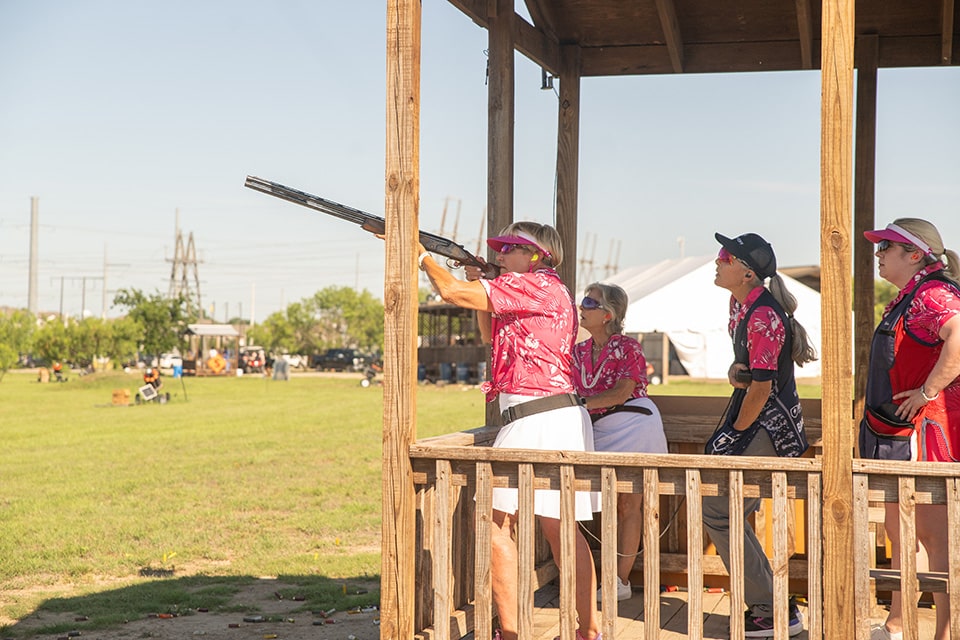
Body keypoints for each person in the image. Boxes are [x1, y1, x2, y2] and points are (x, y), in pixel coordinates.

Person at [421, 221, 601, 640]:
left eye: (510, 247)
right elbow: (490, 332)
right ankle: (586, 632)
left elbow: (449, 294)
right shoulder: (544, 287)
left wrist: (421, 257)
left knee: (494, 523)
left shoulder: (534, 285)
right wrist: (481, 282)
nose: (500, 253)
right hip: (552, 415)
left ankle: (512, 631)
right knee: (561, 529)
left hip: (535, 417)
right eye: (499, 247)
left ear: (537, 255)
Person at [704, 232, 818, 638]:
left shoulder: (763, 315)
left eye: (724, 256)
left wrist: (734, 433)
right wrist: (735, 371)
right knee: (726, 510)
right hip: (757, 420)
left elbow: (763, 388)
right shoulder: (741, 305)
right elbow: (748, 372)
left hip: (768, 426)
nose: (717, 261)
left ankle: (772, 607)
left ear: (747, 272)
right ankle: (772, 603)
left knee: (718, 510)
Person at [860, 219, 960, 640]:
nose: (879, 253)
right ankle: (898, 623)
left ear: (915, 255)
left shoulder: (934, 294)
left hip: (928, 437)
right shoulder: (913, 295)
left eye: (887, 246)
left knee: (937, 543)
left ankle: (945, 632)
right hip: (902, 434)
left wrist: (927, 390)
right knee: (901, 533)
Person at [571, 282, 667, 602]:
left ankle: (618, 582)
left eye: (588, 302)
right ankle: (587, 575)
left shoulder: (629, 348)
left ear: (608, 314)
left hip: (635, 425)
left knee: (628, 504)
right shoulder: (578, 351)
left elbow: (623, 391)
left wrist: (579, 405)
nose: (581, 307)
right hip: (597, 428)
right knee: (590, 503)